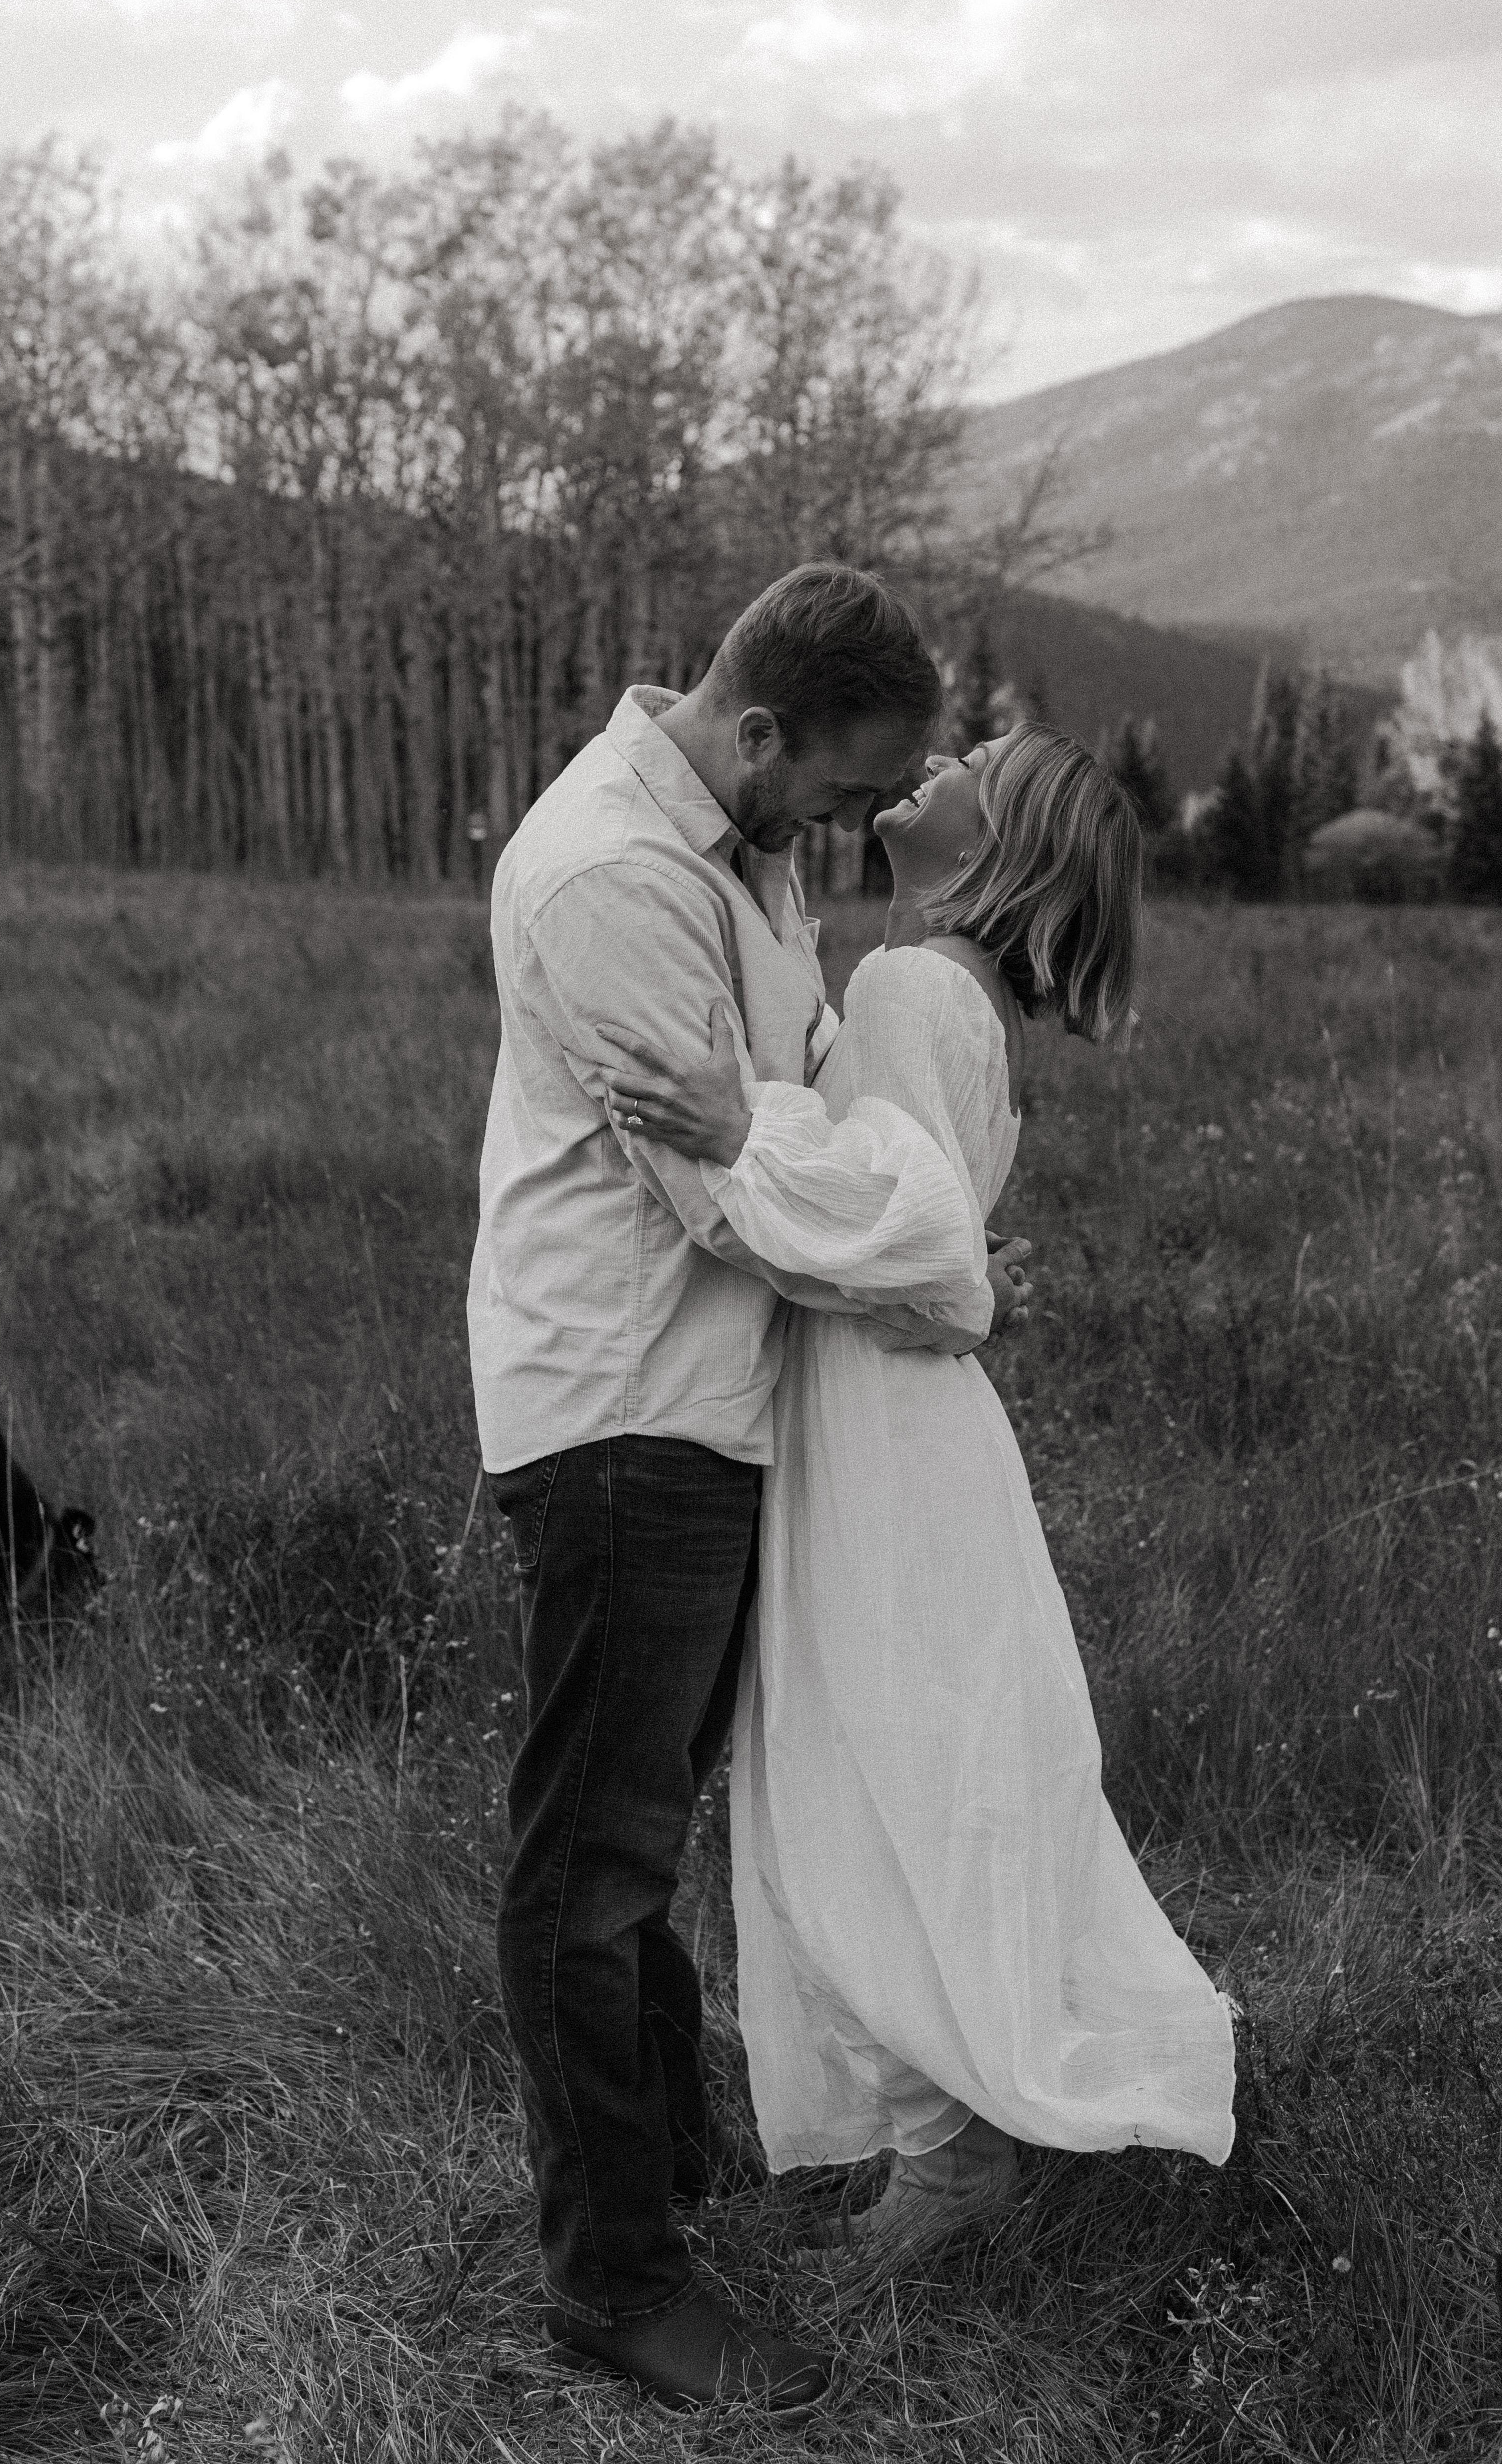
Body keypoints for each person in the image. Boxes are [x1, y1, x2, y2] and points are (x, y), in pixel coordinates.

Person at [466, 563, 1034, 2419]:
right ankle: (615, 2280)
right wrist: (929, 1250)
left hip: (706, 1406)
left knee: (644, 1834)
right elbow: (734, 1197)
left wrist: (912, 1229)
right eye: (844, 788)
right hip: (625, 1408)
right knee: (593, 1862)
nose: (852, 823)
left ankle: (675, 2173)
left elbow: (785, 1106)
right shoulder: (617, 878)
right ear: (762, 728)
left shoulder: (746, 838)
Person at [600, 725, 1238, 2275]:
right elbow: (932, 1230)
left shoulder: (907, 984)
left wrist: (736, 1131)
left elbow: (926, 1254)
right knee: (892, 1765)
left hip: (877, 1424)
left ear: (1002, 836)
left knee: (862, 1776)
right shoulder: (934, 985)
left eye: (974, 757)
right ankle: (942, 2127)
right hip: (894, 1416)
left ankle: (949, 2159)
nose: (932, 755)